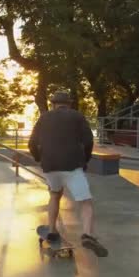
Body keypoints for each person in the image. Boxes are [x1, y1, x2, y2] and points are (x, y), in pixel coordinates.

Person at [28, 91, 108, 257]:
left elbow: (32, 142)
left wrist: (39, 158)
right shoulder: (77, 116)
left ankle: (51, 230)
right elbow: (88, 141)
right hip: (72, 166)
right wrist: (85, 160)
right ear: (69, 104)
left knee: (55, 194)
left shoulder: (44, 117)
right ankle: (88, 235)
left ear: (53, 104)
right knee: (86, 202)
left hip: (50, 165)